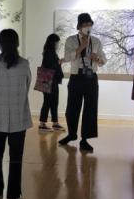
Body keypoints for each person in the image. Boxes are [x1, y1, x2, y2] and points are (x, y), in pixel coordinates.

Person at [0, 29, 32, 199]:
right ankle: (13, 195)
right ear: (17, 43)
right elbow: (27, 86)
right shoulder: (24, 64)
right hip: (18, 118)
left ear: (0, 44)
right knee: (16, 158)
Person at [59, 13, 107, 153]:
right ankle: (71, 134)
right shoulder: (71, 40)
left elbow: (103, 60)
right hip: (76, 77)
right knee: (72, 108)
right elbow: (67, 57)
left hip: (91, 77)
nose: (88, 27)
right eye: (85, 24)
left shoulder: (96, 41)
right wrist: (82, 47)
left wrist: (97, 58)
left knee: (90, 109)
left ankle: (85, 139)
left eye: (90, 24)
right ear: (79, 26)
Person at [38, 33, 65, 133]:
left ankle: (55, 123)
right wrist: (58, 62)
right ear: (53, 42)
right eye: (57, 42)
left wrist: (58, 62)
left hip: (51, 80)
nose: (58, 44)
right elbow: (49, 66)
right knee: (48, 102)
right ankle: (42, 124)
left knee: (53, 102)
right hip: (48, 80)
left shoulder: (50, 52)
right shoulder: (48, 52)